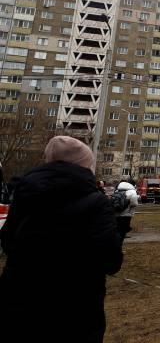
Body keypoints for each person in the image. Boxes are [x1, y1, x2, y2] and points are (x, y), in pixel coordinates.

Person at [0, 135, 123, 342]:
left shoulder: (24, 192)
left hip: (20, 299)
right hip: (75, 304)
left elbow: (8, 241)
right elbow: (110, 260)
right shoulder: (95, 201)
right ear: (84, 166)